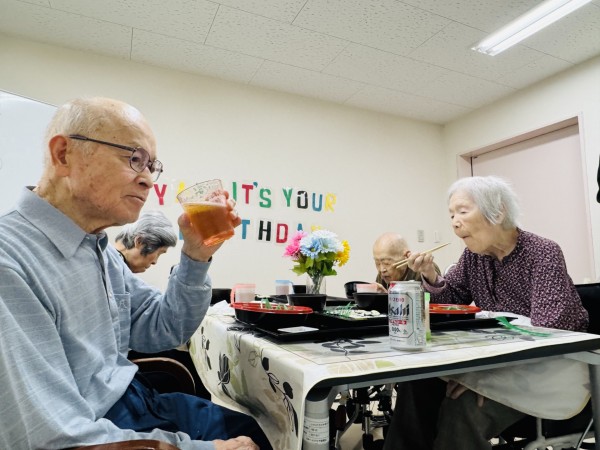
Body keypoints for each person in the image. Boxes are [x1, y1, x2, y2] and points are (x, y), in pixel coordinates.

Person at [0, 97, 271, 450]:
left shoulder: (97, 249)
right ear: (63, 154)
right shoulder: (11, 262)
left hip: (135, 397)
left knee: (258, 426)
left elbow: (165, 326)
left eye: (151, 166)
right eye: (134, 159)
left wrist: (196, 255)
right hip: (98, 426)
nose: (148, 181)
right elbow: (52, 438)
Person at [383, 175, 589, 450]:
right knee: (417, 382)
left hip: (548, 371)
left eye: (463, 211)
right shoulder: (473, 257)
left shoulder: (543, 253)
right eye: (451, 214)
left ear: (498, 211)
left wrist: (485, 379)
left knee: (463, 406)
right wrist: (430, 274)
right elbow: (451, 300)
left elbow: (547, 334)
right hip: (495, 362)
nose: (455, 222)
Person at [372, 232, 439, 292]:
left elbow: (436, 298)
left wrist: (387, 298)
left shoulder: (425, 268)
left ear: (406, 256)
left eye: (386, 263)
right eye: (377, 263)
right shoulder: (383, 275)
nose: (382, 269)